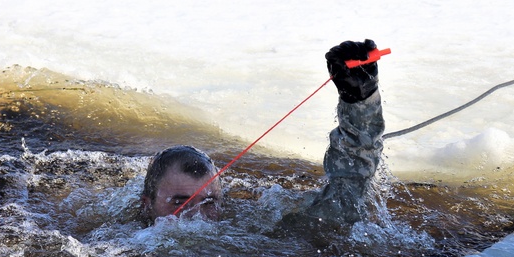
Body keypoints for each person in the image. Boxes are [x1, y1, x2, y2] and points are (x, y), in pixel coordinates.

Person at [139, 39, 385, 226]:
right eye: (180, 203)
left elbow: (343, 200)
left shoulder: (252, 228)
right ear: (146, 205)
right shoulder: (118, 245)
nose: (197, 218)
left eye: (209, 203)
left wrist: (360, 101)